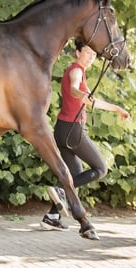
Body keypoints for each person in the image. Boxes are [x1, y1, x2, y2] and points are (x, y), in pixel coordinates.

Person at [41, 39, 130, 230]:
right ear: (77, 53)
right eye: (87, 53)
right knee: (100, 169)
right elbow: (74, 88)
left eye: (94, 55)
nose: (91, 57)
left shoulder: (81, 73)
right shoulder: (76, 70)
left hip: (63, 129)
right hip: (73, 130)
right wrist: (79, 93)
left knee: (73, 175)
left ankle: (52, 216)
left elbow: (91, 101)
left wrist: (116, 108)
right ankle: (59, 191)